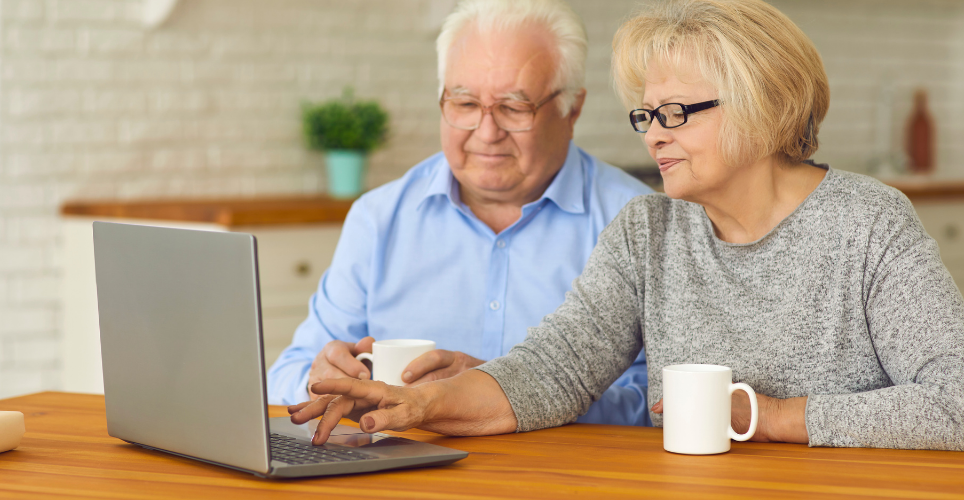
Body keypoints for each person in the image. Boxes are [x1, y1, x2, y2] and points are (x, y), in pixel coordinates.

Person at [288, 0, 964, 451]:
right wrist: (421, 406)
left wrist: (767, 415)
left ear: (767, 106)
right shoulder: (650, 231)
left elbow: (955, 403)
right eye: (648, 116)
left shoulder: (866, 223)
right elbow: (555, 367)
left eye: (678, 113)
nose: (655, 138)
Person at [267, 0, 654, 426]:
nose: (486, 133)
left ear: (571, 109)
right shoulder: (378, 219)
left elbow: (662, 404)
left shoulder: (640, 225)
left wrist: (502, 395)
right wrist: (319, 381)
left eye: (514, 107)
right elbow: (283, 376)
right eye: (465, 104)